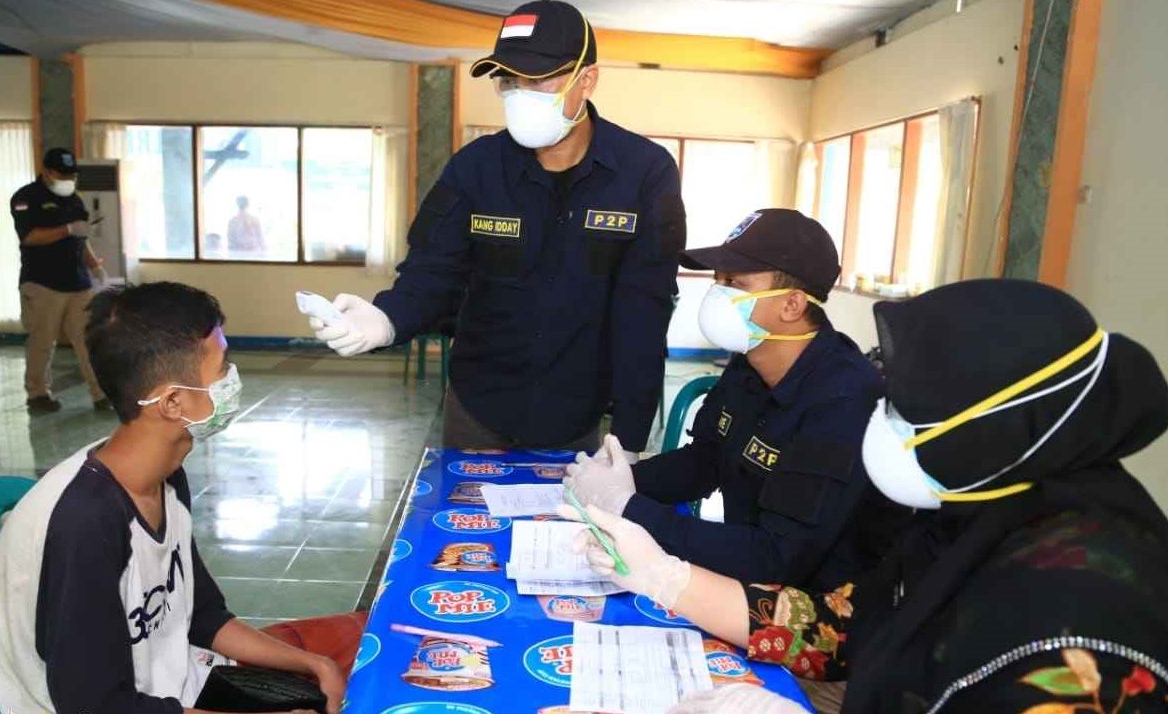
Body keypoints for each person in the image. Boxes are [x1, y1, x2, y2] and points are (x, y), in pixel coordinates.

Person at [562, 279, 1168, 714]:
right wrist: (665, 577)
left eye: (904, 411)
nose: (878, 422)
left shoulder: (1081, 614)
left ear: (993, 429)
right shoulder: (979, 508)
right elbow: (845, 627)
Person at [309, 0, 685, 455]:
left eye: (539, 78)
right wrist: (388, 318)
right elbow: (432, 272)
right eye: (508, 80)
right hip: (480, 408)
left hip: (582, 414)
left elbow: (644, 314)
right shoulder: (475, 169)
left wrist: (628, 439)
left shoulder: (644, 173)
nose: (520, 93)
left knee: (570, 525)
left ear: (587, 79)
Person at [0, 282, 350, 714]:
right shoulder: (85, 522)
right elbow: (96, 705)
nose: (232, 378)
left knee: (352, 667)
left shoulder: (164, 475)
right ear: (173, 402)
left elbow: (203, 616)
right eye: (222, 365)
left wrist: (314, 663)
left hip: (174, 685)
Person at [566, 209, 909, 591]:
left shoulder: (844, 401)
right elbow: (706, 461)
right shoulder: (749, 364)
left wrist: (629, 508)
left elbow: (777, 558)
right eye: (717, 279)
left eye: (734, 283)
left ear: (792, 305)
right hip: (747, 573)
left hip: (816, 606)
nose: (717, 292)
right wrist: (617, 481)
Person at [11, 147, 109, 413]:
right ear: (47, 172)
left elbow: (81, 237)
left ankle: (101, 394)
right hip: (43, 283)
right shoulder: (26, 198)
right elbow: (29, 237)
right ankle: (38, 394)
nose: (67, 179)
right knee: (42, 342)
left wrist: (94, 266)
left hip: (78, 282)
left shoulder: (74, 200)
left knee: (89, 339)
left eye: (71, 174)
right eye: (62, 174)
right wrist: (65, 229)